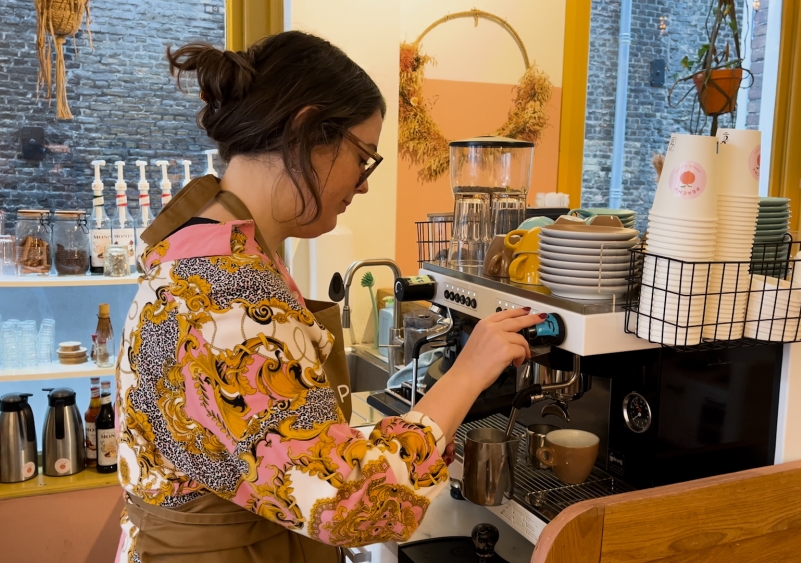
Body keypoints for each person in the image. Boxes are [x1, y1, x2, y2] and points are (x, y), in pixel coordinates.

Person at [115, 30, 543, 563]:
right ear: (306, 130)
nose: (363, 184)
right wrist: (466, 374)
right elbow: (345, 502)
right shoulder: (223, 291)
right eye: (364, 156)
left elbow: (272, 437)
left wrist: (403, 435)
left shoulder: (219, 245)